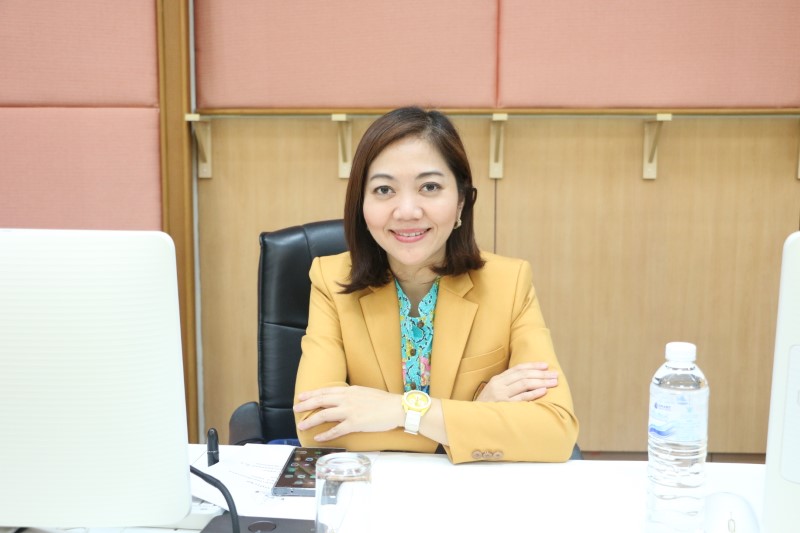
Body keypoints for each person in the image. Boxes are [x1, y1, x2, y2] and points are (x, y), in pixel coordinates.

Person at [293, 107, 578, 464]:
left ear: (461, 202)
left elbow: (555, 431)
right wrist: (471, 416)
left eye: (429, 187)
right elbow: (314, 425)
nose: (407, 211)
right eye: (384, 189)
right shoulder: (330, 280)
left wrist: (402, 412)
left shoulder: (510, 283)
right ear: (361, 205)